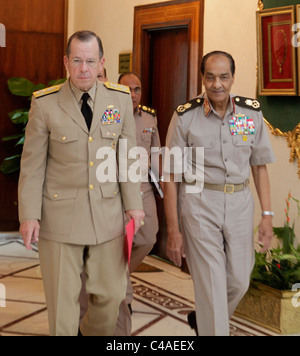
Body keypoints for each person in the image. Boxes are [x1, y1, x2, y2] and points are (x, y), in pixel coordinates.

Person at [18, 31, 144, 336]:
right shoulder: (46, 104)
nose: (84, 68)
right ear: (66, 62)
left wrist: (134, 206)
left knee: (112, 296)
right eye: (77, 60)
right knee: (62, 307)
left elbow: (127, 157)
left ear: (101, 63)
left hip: (108, 216)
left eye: (90, 61)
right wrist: (29, 215)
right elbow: (32, 165)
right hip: (60, 217)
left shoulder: (119, 99)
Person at [164, 51, 275, 336]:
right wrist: (174, 230)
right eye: (210, 77)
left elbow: (259, 166)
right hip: (200, 203)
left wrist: (266, 215)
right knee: (212, 283)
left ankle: (205, 320)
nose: (217, 84)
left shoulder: (250, 113)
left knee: (239, 279)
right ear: (202, 78)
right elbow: (171, 176)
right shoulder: (185, 117)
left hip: (240, 203)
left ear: (232, 78)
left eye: (224, 77)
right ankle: (212, 326)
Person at [114, 72, 162, 336]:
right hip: (116, 189)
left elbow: (156, 151)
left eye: (137, 89)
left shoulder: (149, 117)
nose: (133, 95)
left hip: (143, 187)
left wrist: (162, 183)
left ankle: (117, 277)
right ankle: (124, 299)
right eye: (127, 89)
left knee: (148, 237)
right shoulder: (108, 114)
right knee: (120, 246)